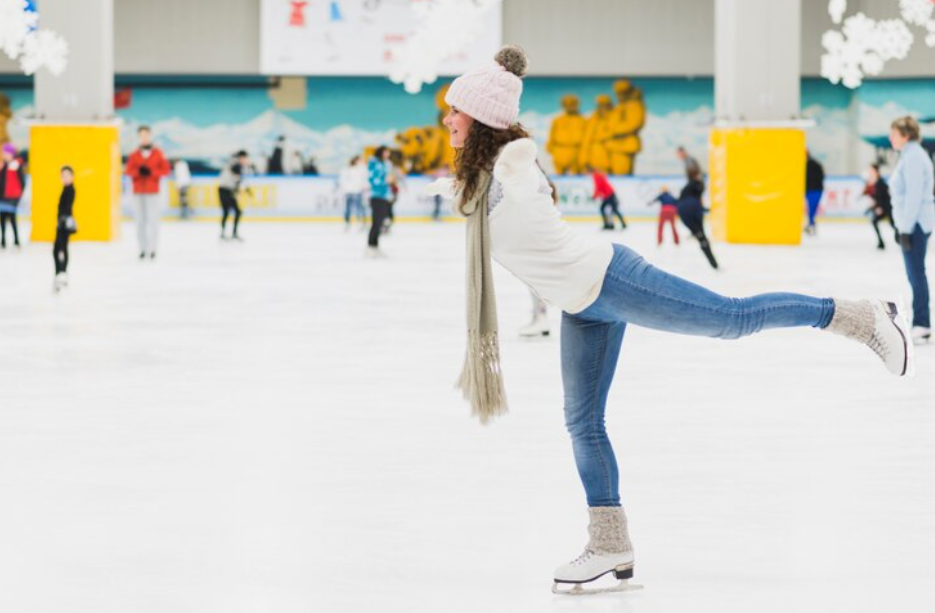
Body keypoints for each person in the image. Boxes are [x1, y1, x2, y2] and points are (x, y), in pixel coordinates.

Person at [426, 45, 913, 596]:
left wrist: (505, 134)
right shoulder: (482, 182)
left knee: (731, 319)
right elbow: (484, 203)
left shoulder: (513, 164)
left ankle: (857, 316)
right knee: (582, 422)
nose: (447, 120)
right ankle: (611, 545)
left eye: (456, 111)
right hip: (581, 306)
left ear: (485, 121)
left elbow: (515, 162)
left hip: (611, 279)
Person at [889, 116, 935, 344]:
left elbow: (914, 195)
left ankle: (922, 323)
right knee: (914, 273)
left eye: (894, 134)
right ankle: (921, 322)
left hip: (915, 224)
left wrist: (905, 229)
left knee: (916, 273)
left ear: (905, 135)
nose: (891, 138)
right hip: (912, 223)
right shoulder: (910, 155)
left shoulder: (914, 157)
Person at [125, 125, 171, 260]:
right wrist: (138, 173)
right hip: (138, 191)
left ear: (150, 135)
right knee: (140, 220)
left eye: (146, 135)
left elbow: (165, 170)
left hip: (152, 191)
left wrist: (152, 173)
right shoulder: (134, 154)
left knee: (153, 220)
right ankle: (142, 248)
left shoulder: (158, 153)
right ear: (139, 136)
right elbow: (128, 170)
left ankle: (152, 248)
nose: (144, 137)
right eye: (142, 135)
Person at [677, 169, 718, 269]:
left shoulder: (686, 188)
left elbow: (680, 200)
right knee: (702, 237)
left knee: (700, 236)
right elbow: (697, 201)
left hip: (683, 211)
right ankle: (714, 264)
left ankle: (713, 263)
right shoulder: (698, 185)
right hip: (692, 209)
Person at [862, 163, 896, 250]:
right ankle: (881, 242)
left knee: (893, 224)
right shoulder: (872, 183)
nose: (869, 172)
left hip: (887, 207)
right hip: (882, 207)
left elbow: (884, 196)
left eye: (871, 170)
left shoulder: (880, 182)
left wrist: (880, 207)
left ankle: (902, 239)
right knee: (875, 221)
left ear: (876, 171)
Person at [53, 166, 76, 292]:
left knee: (62, 247)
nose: (65, 178)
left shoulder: (70, 189)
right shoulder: (65, 188)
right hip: (62, 222)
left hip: (64, 223)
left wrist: (63, 219)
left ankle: (62, 272)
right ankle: (60, 272)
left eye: (67, 175)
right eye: (63, 175)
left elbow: (67, 207)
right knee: (57, 249)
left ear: (72, 177)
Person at [218, 150, 250, 241]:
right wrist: (245, 188)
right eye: (245, 158)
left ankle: (227, 233)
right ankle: (229, 233)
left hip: (226, 189)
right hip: (225, 190)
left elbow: (236, 178)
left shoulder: (233, 162)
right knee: (230, 211)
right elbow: (237, 178)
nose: (246, 160)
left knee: (232, 212)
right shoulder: (236, 164)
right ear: (241, 157)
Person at [366, 146, 392, 256]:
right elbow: (373, 179)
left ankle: (375, 246)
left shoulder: (385, 163)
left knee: (380, 222)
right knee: (376, 222)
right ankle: (371, 246)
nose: (388, 154)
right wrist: (385, 180)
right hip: (376, 196)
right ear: (381, 152)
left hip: (384, 196)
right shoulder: (374, 164)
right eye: (386, 152)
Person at [0, 143, 25, 249]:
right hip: (2, 196)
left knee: (13, 218)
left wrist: (18, 196)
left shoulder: (16, 165)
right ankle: (3, 239)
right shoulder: (2, 165)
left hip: (13, 197)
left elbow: (22, 181)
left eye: (6, 153)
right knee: (3, 219)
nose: (4, 155)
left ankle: (16, 240)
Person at [589, 166, 626, 230]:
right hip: (608, 194)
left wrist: (594, 196)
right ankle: (610, 224)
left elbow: (598, 188)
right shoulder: (598, 175)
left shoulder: (596, 176)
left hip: (609, 195)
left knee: (611, 209)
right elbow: (600, 188)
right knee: (609, 209)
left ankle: (611, 224)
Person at [338, 155, 368, 230]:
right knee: (349, 209)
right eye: (360, 160)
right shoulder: (346, 169)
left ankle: (361, 223)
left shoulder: (362, 169)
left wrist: (365, 187)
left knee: (360, 208)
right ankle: (348, 223)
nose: (361, 162)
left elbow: (365, 179)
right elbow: (342, 180)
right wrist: (344, 189)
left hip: (358, 191)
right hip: (349, 192)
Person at [805, 151, 825, 236]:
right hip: (816, 189)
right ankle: (811, 225)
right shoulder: (816, 164)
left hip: (813, 190)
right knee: (811, 209)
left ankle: (811, 226)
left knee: (811, 209)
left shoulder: (810, 165)